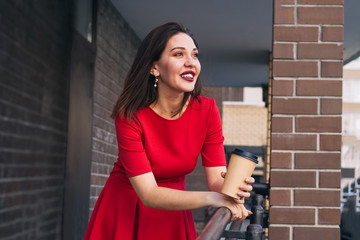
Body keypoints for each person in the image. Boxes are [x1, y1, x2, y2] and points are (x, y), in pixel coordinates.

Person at [84, 22, 254, 240]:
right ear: (154, 67)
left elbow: (216, 181)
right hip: (126, 210)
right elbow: (149, 194)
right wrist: (215, 199)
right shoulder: (130, 116)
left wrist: (233, 189)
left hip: (174, 212)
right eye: (178, 54)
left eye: (194, 55)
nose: (190, 62)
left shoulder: (207, 110)